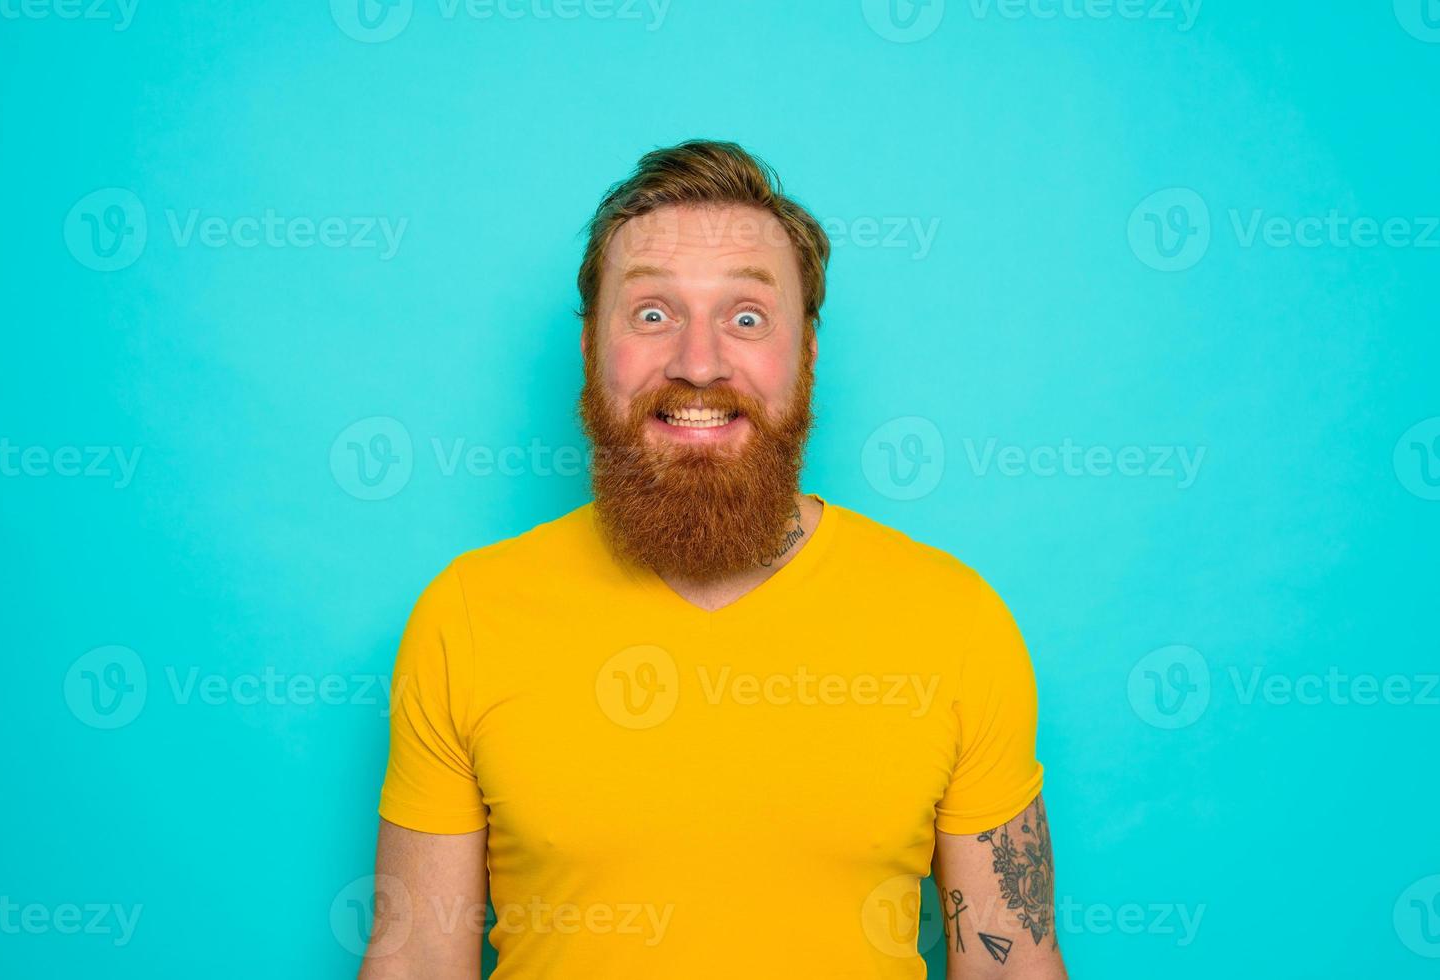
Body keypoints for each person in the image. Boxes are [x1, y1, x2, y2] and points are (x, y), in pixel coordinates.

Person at [359, 139, 1068, 980]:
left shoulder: (953, 621)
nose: (698, 364)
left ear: (805, 357)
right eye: (652, 314)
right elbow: (416, 963)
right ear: (591, 352)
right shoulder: (467, 614)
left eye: (745, 317)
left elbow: (1009, 960)